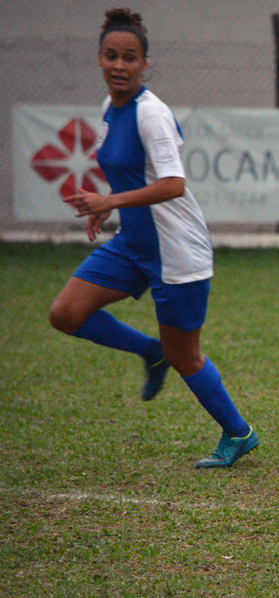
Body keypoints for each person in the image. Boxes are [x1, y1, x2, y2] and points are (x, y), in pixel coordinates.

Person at [48, 8, 258, 469]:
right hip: (133, 244)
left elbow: (172, 185)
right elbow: (129, 175)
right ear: (99, 59)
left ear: (145, 63)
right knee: (65, 313)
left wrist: (110, 203)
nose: (119, 65)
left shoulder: (152, 114)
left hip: (176, 252)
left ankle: (238, 433)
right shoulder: (110, 108)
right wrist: (109, 206)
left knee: (187, 357)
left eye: (130, 57)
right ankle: (149, 351)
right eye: (111, 56)